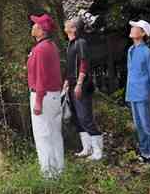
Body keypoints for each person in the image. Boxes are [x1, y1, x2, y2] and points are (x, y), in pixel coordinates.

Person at [27, 13, 64, 178]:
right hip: (54, 95)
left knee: (43, 136)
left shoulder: (41, 49)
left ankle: (49, 174)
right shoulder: (51, 46)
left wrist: (38, 101)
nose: (33, 26)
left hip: (43, 95)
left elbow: (41, 76)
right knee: (55, 134)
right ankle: (58, 170)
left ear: (41, 30)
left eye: (35, 25)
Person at [63, 17, 103, 160]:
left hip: (82, 85)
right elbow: (70, 67)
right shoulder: (70, 44)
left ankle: (98, 151)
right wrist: (67, 82)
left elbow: (83, 63)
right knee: (77, 118)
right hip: (72, 84)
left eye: (69, 23)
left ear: (74, 29)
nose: (65, 24)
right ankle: (86, 148)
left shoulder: (81, 42)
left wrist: (79, 83)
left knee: (85, 117)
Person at [126, 19, 150, 164]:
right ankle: (145, 152)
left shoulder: (148, 53)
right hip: (132, 92)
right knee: (139, 125)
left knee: (147, 125)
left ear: (143, 33)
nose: (133, 29)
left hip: (143, 93)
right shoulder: (131, 50)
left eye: (136, 28)